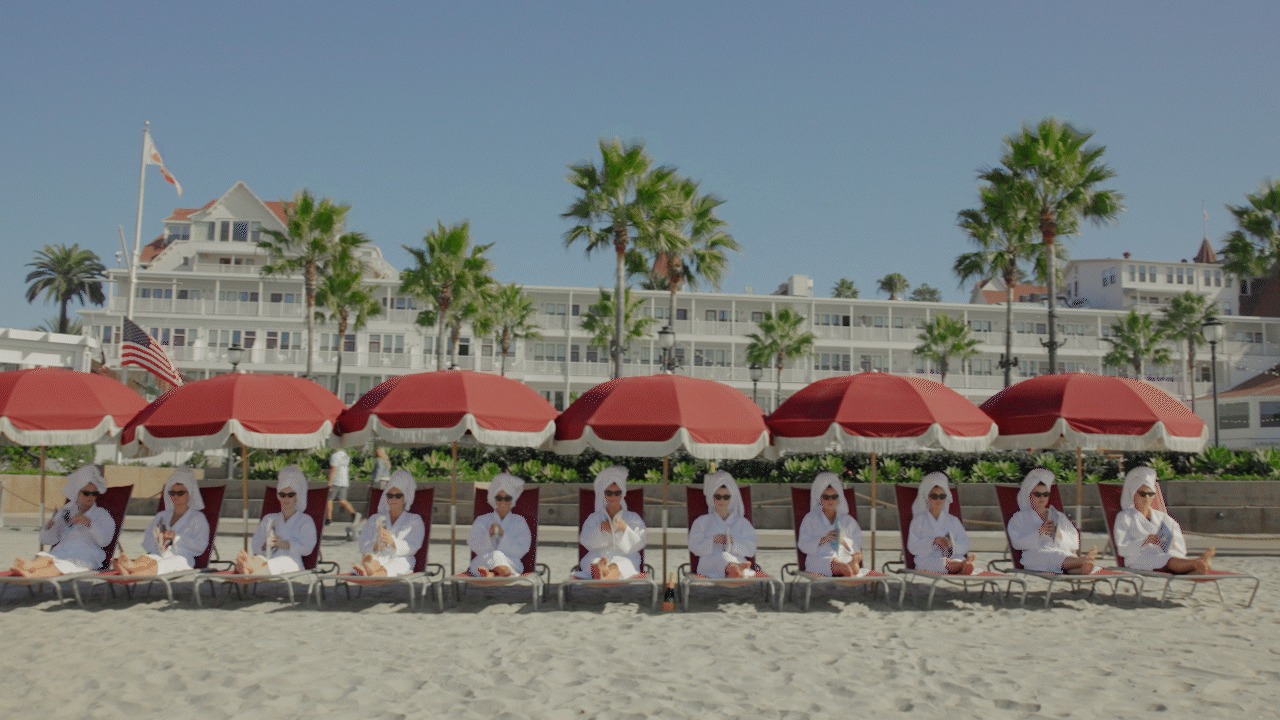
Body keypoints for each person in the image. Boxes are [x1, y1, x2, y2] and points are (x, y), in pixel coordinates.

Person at [9, 465, 116, 578]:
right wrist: (50, 526)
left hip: (85, 554)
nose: (90, 497)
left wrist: (90, 523)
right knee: (46, 557)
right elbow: (46, 540)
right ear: (77, 493)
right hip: (63, 550)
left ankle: (30, 575)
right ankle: (29, 566)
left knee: (61, 565)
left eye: (94, 494)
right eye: (86, 493)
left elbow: (105, 541)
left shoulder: (102, 514)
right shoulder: (66, 511)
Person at [1113, 466, 1215, 574]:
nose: (1146, 498)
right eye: (1142, 494)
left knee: (1170, 555)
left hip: (1163, 553)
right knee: (1164, 558)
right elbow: (1122, 548)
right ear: (1134, 494)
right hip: (1138, 557)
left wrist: (1169, 543)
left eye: (1150, 494)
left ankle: (1197, 564)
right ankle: (1196, 563)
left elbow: (1177, 541)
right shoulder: (1124, 517)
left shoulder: (1162, 517)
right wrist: (1144, 541)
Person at [114, 468, 210, 576]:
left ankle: (129, 572)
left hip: (182, 558)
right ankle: (131, 567)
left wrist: (177, 537)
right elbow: (147, 540)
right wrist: (159, 540)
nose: (175, 496)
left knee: (167, 563)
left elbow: (201, 546)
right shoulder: (162, 515)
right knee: (148, 558)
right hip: (159, 554)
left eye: (180, 493)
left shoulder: (197, 518)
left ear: (189, 494)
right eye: (172, 493)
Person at [1006, 468, 1098, 575]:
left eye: (1046, 494)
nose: (1042, 498)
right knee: (1053, 556)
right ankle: (1084, 561)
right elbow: (1016, 543)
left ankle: (1083, 568)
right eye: (1038, 494)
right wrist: (1039, 533)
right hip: (1035, 555)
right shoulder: (1020, 517)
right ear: (1029, 495)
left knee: (1062, 555)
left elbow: (1073, 538)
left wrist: (1059, 534)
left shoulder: (1057, 515)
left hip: (1059, 552)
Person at [235, 466, 318, 575]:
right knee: (258, 559)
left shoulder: (305, 520)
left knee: (281, 562)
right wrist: (265, 545)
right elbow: (256, 544)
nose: (286, 499)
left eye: (291, 494)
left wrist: (285, 544)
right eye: (282, 495)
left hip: (291, 561)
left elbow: (308, 549)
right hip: (269, 558)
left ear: (297, 497)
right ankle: (249, 567)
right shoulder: (269, 518)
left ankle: (249, 573)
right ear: (278, 496)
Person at [574, 466, 646, 580]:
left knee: (621, 565)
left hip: (625, 556)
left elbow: (641, 542)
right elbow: (584, 540)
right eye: (609, 492)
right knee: (593, 562)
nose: (613, 496)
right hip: (599, 554)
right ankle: (600, 570)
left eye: (617, 492)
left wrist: (626, 529)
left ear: (622, 494)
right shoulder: (595, 518)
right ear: (604, 494)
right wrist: (599, 530)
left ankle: (604, 574)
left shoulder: (632, 518)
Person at [352, 469, 424, 577]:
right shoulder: (375, 519)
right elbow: (363, 543)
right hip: (379, 556)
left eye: (398, 496)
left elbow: (414, 546)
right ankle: (370, 570)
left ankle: (369, 573)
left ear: (405, 498)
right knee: (373, 559)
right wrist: (375, 546)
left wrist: (393, 542)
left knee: (394, 566)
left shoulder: (414, 520)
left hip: (402, 558)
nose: (393, 499)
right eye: (390, 495)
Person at [687, 471, 758, 578]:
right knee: (722, 556)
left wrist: (734, 541)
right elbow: (694, 547)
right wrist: (712, 540)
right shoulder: (701, 521)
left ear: (731, 498)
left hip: (737, 558)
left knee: (729, 557)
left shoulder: (742, 522)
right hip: (710, 563)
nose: (722, 500)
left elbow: (751, 549)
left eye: (726, 497)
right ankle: (734, 569)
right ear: (712, 498)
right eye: (717, 496)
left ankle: (734, 568)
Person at [797, 471, 865, 577]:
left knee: (851, 558)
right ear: (820, 498)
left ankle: (851, 564)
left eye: (834, 497)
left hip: (843, 555)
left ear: (839, 499)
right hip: (820, 558)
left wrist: (843, 541)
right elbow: (803, 544)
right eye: (826, 497)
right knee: (845, 567)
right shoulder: (810, 518)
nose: (830, 500)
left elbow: (857, 541)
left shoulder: (847, 520)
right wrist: (824, 539)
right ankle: (849, 567)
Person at [907, 471, 976, 575]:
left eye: (942, 496)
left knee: (955, 560)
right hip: (928, 559)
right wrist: (933, 541)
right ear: (927, 497)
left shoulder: (953, 520)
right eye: (934, 496)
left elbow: (965, 544)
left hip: (952, 556)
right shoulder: (919, 521)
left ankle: (961, 565)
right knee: (942, 563)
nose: (938, 499)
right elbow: (912, 547)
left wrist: (952, 545)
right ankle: (962, 566)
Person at [467, 473, 532, 577]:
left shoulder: (520, 521)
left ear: (512, 500)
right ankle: (498, 572)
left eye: (507, 498)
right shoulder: (482, 520)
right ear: (494, 499)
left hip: (510, 561)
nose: (503, 501)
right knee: (487, 558)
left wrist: (503, 535)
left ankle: (494, 572)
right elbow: (473, 543)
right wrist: (488, 535)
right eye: (499, 498)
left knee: (497, 555)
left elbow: (523, 549)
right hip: (484, 559)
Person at [326, 448, 359, 526]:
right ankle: (355, 515)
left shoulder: (335, 456)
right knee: (342, 500)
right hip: (344, 481)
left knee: (329, 499)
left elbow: (333, 469)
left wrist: (330, 481)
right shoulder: (346, 455)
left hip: (336, 481)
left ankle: (329, 520)